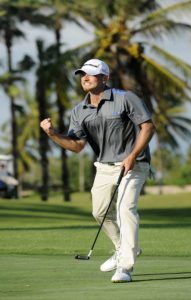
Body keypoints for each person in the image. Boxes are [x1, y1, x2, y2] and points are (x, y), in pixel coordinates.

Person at [40, 58, 155, 283]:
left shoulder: (125, 98)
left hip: (134, 164)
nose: (85, 77)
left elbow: (148, 127)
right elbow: (76, 146)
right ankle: (123, 247)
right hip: (104, 166)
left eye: (91, 74)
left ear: (105, 78)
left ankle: (125, 266)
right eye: (82, 74)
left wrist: (132, 155)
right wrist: (53, 133)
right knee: (99, 212)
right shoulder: (79, 111)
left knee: (125, 209)